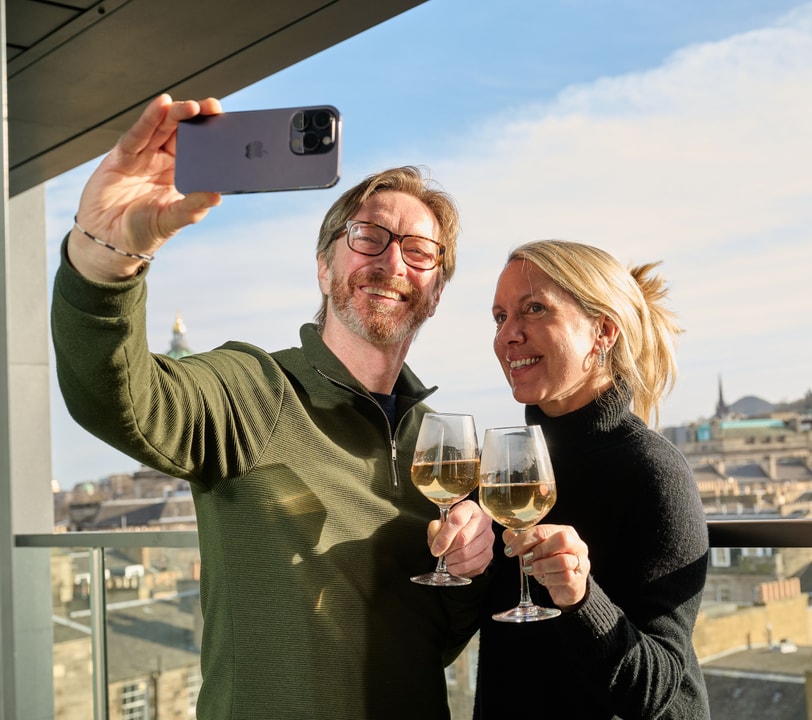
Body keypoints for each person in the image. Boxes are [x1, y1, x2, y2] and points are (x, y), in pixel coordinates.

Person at [50, 95, 495, 719]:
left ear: (436, 290)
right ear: (323, 267)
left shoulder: (440, 445)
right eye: (368, 237)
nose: (393, 262)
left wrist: (471, 569)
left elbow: (435, 640)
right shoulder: (254, 388)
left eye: (421, 252)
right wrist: (104, 254)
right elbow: (117, 399)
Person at [475, 240, 711, 719]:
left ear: (603, 331)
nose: (508, 336)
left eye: (534, 309)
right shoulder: (507, 470)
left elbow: (652, 690)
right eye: (500, 318)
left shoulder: (654, 471)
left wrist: (579, 596)